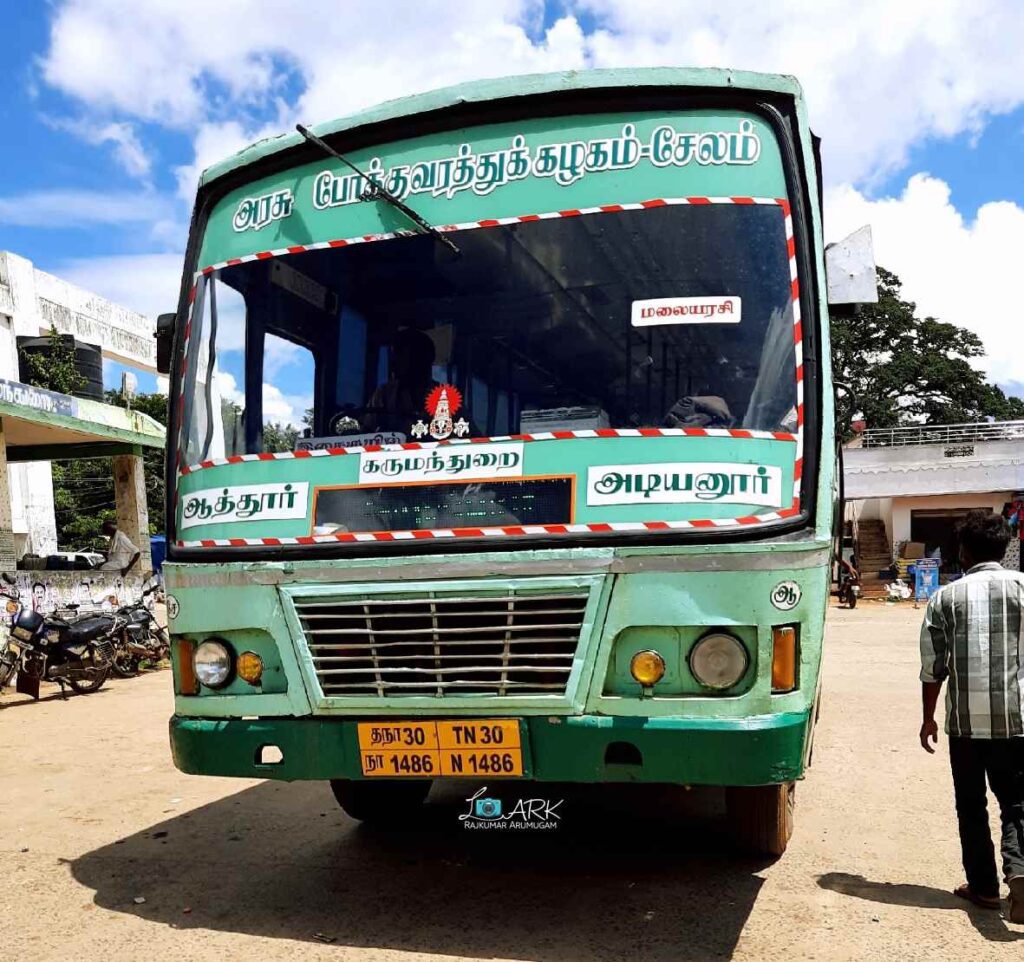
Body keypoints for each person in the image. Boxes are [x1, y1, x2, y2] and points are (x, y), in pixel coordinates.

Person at [919, 510, 1024, 920]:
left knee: (971, 804)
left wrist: (928, 718)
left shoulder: (945, 598)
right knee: (1017, 804)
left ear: (963, 552)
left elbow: (933, 667)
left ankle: (983, 888)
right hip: (1018, 721)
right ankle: (1020, 871)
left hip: (965, 724)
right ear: (1004, 548)